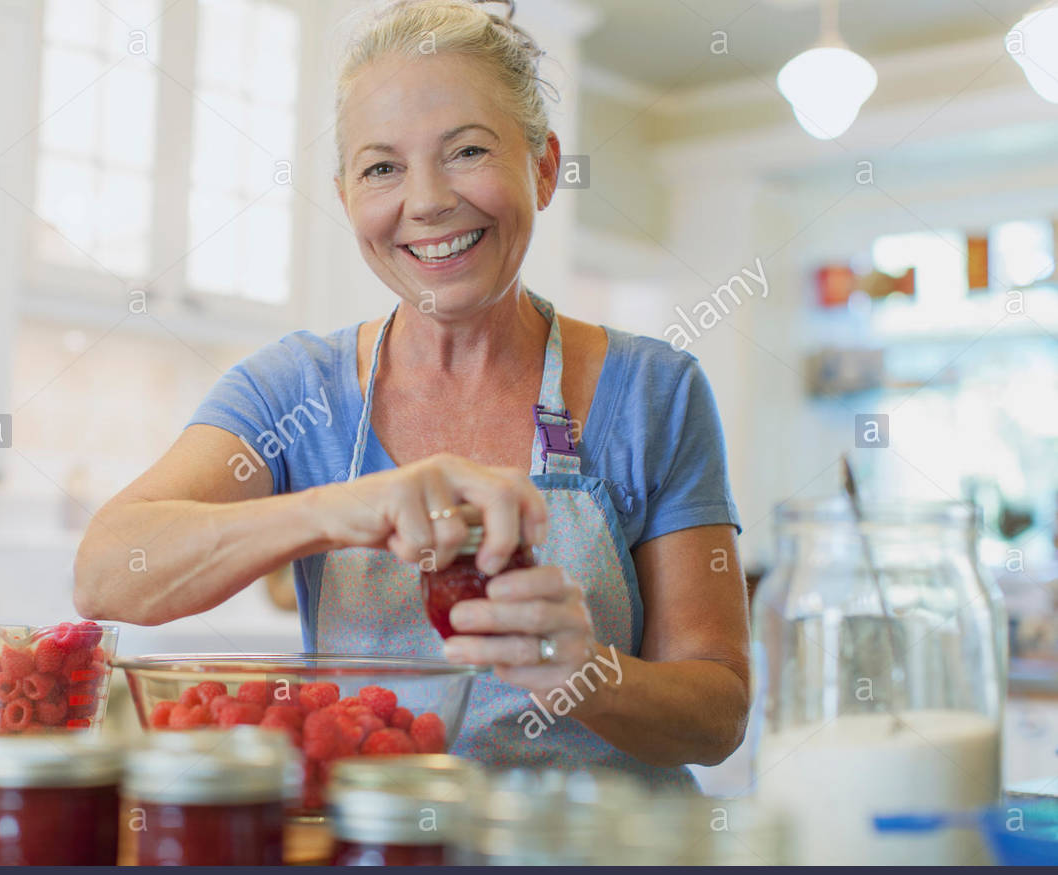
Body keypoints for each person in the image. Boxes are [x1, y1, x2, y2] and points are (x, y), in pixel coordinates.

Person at [75, 0, 749, 790]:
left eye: (466, 150)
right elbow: (107, 572)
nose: (426, 201)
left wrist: (580, 669)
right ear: (345, 195)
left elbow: (719, 714)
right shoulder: (293, 391)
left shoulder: (654, 394)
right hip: (377, 852)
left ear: (543, 166)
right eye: (382, 167)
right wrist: (338, 508)